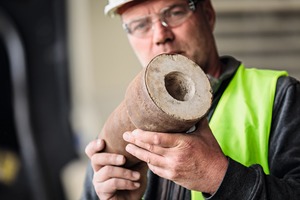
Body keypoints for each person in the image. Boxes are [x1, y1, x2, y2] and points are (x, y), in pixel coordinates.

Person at [82, 0, 300, 199]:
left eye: (175, 13)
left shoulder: (281, 96)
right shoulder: (117, 133)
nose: (160, 35)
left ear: (208, 14)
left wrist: (218, 176)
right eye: (140, 25)